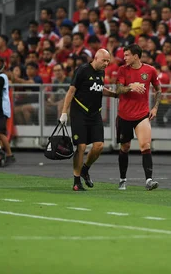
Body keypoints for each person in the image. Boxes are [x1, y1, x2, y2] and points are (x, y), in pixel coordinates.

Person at [60, 49, 117, 191]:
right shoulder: (83, 70)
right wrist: (64, 113)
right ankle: (76, 180)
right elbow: (71, 91)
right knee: (81, 147)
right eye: (104, 60)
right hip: (79, 113)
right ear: (95, 58)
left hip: (94, 114)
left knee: (99, 146)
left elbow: (98, 88)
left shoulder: (101, 72)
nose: (106, 63)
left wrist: (115, 94)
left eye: (108, 61)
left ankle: (85, 169)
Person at [115, 44, 162, 191]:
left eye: (127, 55)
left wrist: (155, 107)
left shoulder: (150, 70)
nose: (125, 57)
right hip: (124, 115)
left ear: (136, 56)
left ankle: (149, 180)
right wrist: (131, 86)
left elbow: (158, 89)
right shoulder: (122, 70)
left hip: (142, 114)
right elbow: (118, 90)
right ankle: (122, 179)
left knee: (145, 146)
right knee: (125, 147)